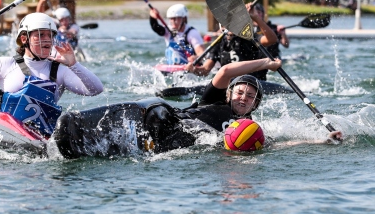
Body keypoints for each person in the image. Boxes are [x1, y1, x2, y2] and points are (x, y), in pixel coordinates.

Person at [56, 57, 343, 158]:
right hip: (164, 118)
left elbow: (279, 144)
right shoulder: (215, 99)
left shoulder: (249, 129)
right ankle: (78, 127)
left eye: (250, 96)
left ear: (256, 104)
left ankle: (94, 148)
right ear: (230, 94)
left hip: (177, 146)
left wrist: (320, 139)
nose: (243, 97)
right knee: (148, 111)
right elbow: (227, 69)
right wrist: (265, 65)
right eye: (240, 92)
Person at [0, 12, 103, 138]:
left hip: (39, 139)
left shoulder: (60, 71)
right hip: (5, 132)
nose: (46, 39)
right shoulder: (6, 64)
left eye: (49, 35)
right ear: (24, 39)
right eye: (40, 34)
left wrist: (73, 64)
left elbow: (95, 90)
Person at [185, 2, 278, 78]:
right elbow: (205, 70)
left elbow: (272, 40)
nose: (229, 27)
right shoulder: (219, 42)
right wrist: (194, 70)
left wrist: (256, 18)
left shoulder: (249, 37)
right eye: (226, 24)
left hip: (252, 82)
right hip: (231, 85)